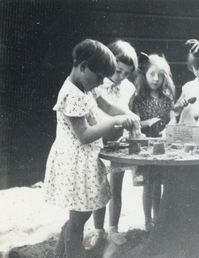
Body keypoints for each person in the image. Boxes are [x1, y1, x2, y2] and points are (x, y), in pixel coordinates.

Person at [43, 39, 140, 257]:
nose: (99, 83)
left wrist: (127, 114)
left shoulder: (87, 87)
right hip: (75, 164)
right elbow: (85, 134)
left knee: (78, 217)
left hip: (85, 161)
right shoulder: (71, 94)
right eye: (98, 77)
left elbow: (106, 104)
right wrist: (114, 122)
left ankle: (61, 253)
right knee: (78, 221)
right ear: (83, 66)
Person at [88, 39, 138, 249]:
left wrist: (129, 126)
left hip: (118, 142)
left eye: (127, 73)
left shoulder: (128, 88)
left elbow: (126, 111)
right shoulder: (97, 85)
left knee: (116, 188)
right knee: (99, 188)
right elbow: (97, 112)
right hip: (99, 140)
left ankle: (113, 230)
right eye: (118, 71)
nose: (121, 77)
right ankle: (98, 231)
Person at [129, 53, 176, 231]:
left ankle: (158, 217)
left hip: (163, 146)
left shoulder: (166, 98)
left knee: (159, 184)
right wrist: (147, 123)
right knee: (148, 184)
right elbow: (135, 122)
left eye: (160, 75)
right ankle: (148, 220)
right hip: (146, 147)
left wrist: (169, 127)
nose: (156, 79)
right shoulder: (139, 99)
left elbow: (173, 119)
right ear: (144, 76)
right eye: (152, 74)